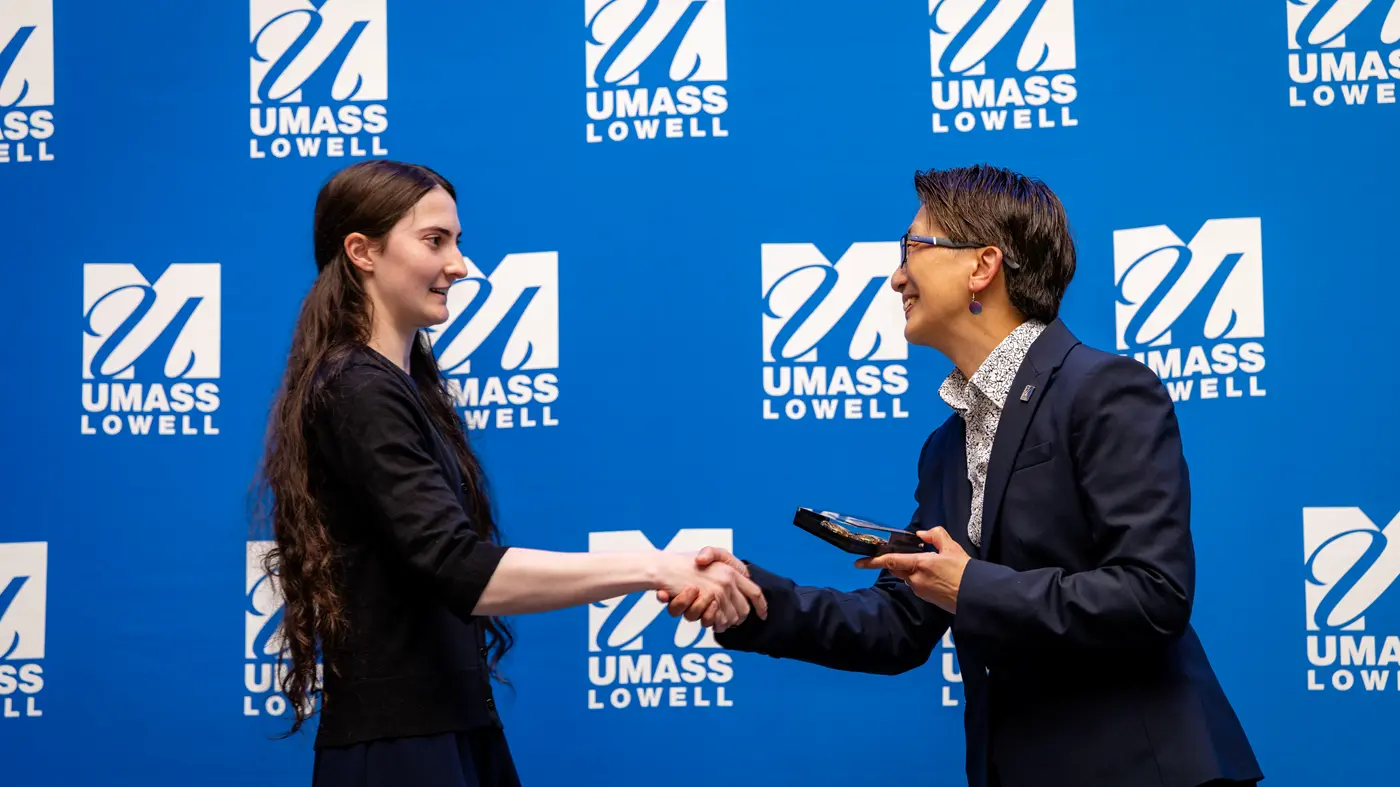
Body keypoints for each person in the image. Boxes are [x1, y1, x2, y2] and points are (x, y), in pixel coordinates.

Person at [660, 165, 1264, 787]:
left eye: (912, 249)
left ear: (982, 266)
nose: (897, 277)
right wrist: (750, 599)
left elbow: (1152, 595)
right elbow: (900, 625)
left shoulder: (1103, 390)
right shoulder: (945, 446)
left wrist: (970, 586)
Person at [252, 159, 766, 787]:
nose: (459, 265)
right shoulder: (358, 387)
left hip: (444, 733)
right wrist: (655, 565)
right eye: (434, 241)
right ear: (361, 251)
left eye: (457, 242)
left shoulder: (394, 386)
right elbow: (459, 569)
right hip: (402, 752)